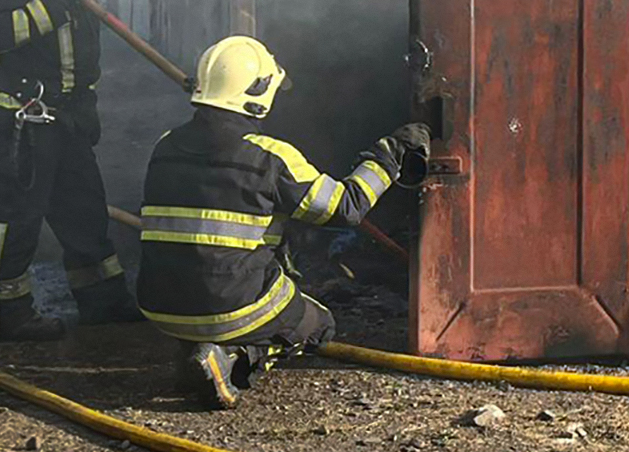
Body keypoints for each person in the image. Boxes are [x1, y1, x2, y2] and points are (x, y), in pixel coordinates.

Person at [136, 34, 429, 409]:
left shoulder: (164, 145)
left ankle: (193, 353)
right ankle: (233, 360)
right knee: (318, 325)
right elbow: (345, 208)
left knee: (206, 271)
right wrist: (389, 156)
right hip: (227, 308)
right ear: (258, 93)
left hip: (158, 305)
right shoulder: (271, 158)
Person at [0, 0, 140, 341]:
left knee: (84, 208)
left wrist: (85, 100)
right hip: (21, 115)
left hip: (66, 113)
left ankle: (103, 301)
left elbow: (81, 46)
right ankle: (3, 312)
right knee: (14, 213)